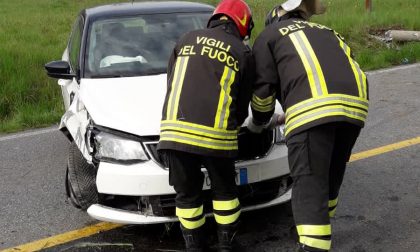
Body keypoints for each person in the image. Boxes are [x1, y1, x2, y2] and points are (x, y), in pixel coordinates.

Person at [247, 0, 369, 251]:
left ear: (274, 17)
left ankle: (313, 243)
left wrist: (258, 123)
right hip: (355, 106)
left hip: (313, 111)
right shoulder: (328, 32)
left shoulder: (268, 36)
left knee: (308, 181)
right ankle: (321, 224)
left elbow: (263, 94)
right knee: (331, 171)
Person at [157, 0, 255, 251]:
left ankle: (194, 247)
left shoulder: (185, 39)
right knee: (224, 194)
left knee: (187, 196)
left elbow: (172, 83)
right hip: (216, 136)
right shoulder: (241, 51)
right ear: (243, 24)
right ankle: (226, 245)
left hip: (174, 134)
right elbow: (242, 104)